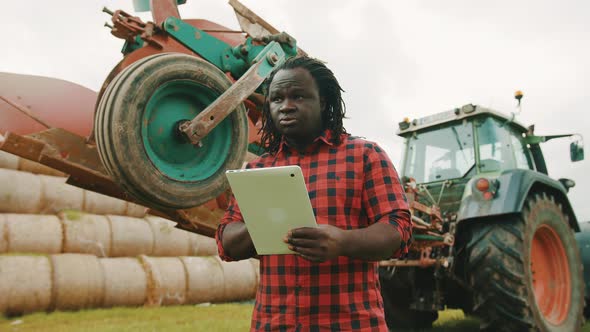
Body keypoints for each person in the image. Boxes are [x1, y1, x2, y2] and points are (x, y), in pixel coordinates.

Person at [215, 56, 412, 331]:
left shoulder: (365, 156)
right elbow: (227, 242)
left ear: (323, 102)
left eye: (298, 96)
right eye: (276, 99)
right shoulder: (258, 169)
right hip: (274, 324)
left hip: (349, 324)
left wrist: (342, 242)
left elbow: (398, 230)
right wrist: (261, 224)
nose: (286, 106)